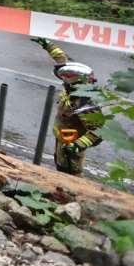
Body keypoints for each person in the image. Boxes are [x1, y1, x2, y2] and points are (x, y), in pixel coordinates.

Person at [33, 37, 103, 176]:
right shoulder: (74, 86)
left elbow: (99, 132)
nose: (63, 80)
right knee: (60, 166)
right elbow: (62, 60)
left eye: (66, 79)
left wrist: (77, 146)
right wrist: (48, 45)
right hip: (61, 139)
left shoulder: (85, 103)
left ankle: (73, 196)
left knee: (71, 174)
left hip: (72, 146)